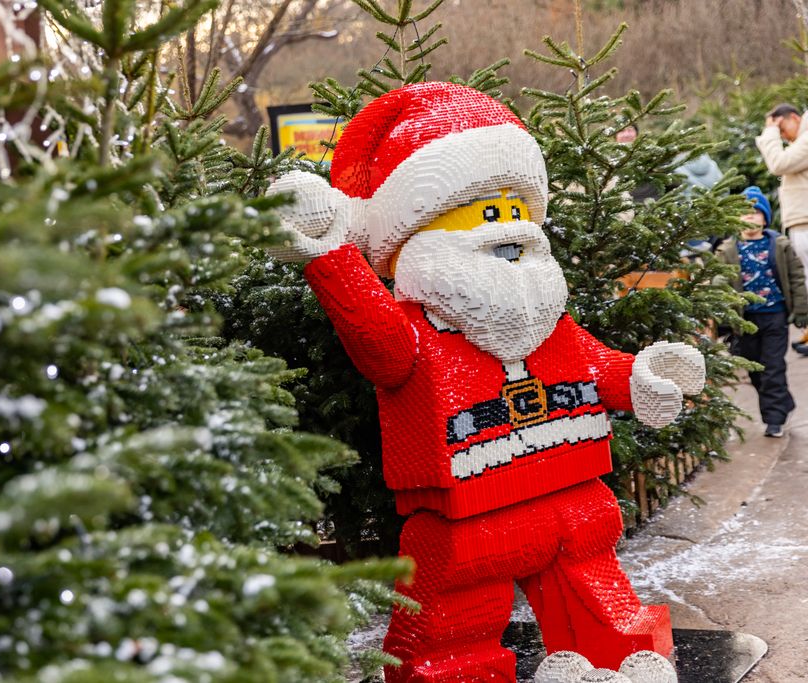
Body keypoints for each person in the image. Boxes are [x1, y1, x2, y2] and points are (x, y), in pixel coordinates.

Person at [265, 82, 704, 681]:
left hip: (572, 495)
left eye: (518, 212)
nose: (512, 231)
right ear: (413, 238)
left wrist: (642, 376)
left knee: (597, 591)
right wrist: (329, 252)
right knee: (452, 626)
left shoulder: (552, 327)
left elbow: (598, 367)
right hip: (468, 513)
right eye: (485, 213)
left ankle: (617, 656)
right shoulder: (418, 335)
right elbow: (376, 343)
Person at [716, 186, 808, 437]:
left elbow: (796, 276)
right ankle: (784, 404)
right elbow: (720, 284)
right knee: (756, 370)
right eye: (745, 213)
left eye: (756, 213)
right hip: (745, 320)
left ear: (765, 218)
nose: (750, 217)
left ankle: (774, 419)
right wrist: (724, 318)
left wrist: (801, 309)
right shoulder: (727, 250)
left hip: (774, 315)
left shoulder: (778, 244)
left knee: (773, 366)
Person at [756, 103, 808, 355]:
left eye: (782, 127)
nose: (784, 136)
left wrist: (769, 132)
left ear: (794, 118)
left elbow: (777, 162)